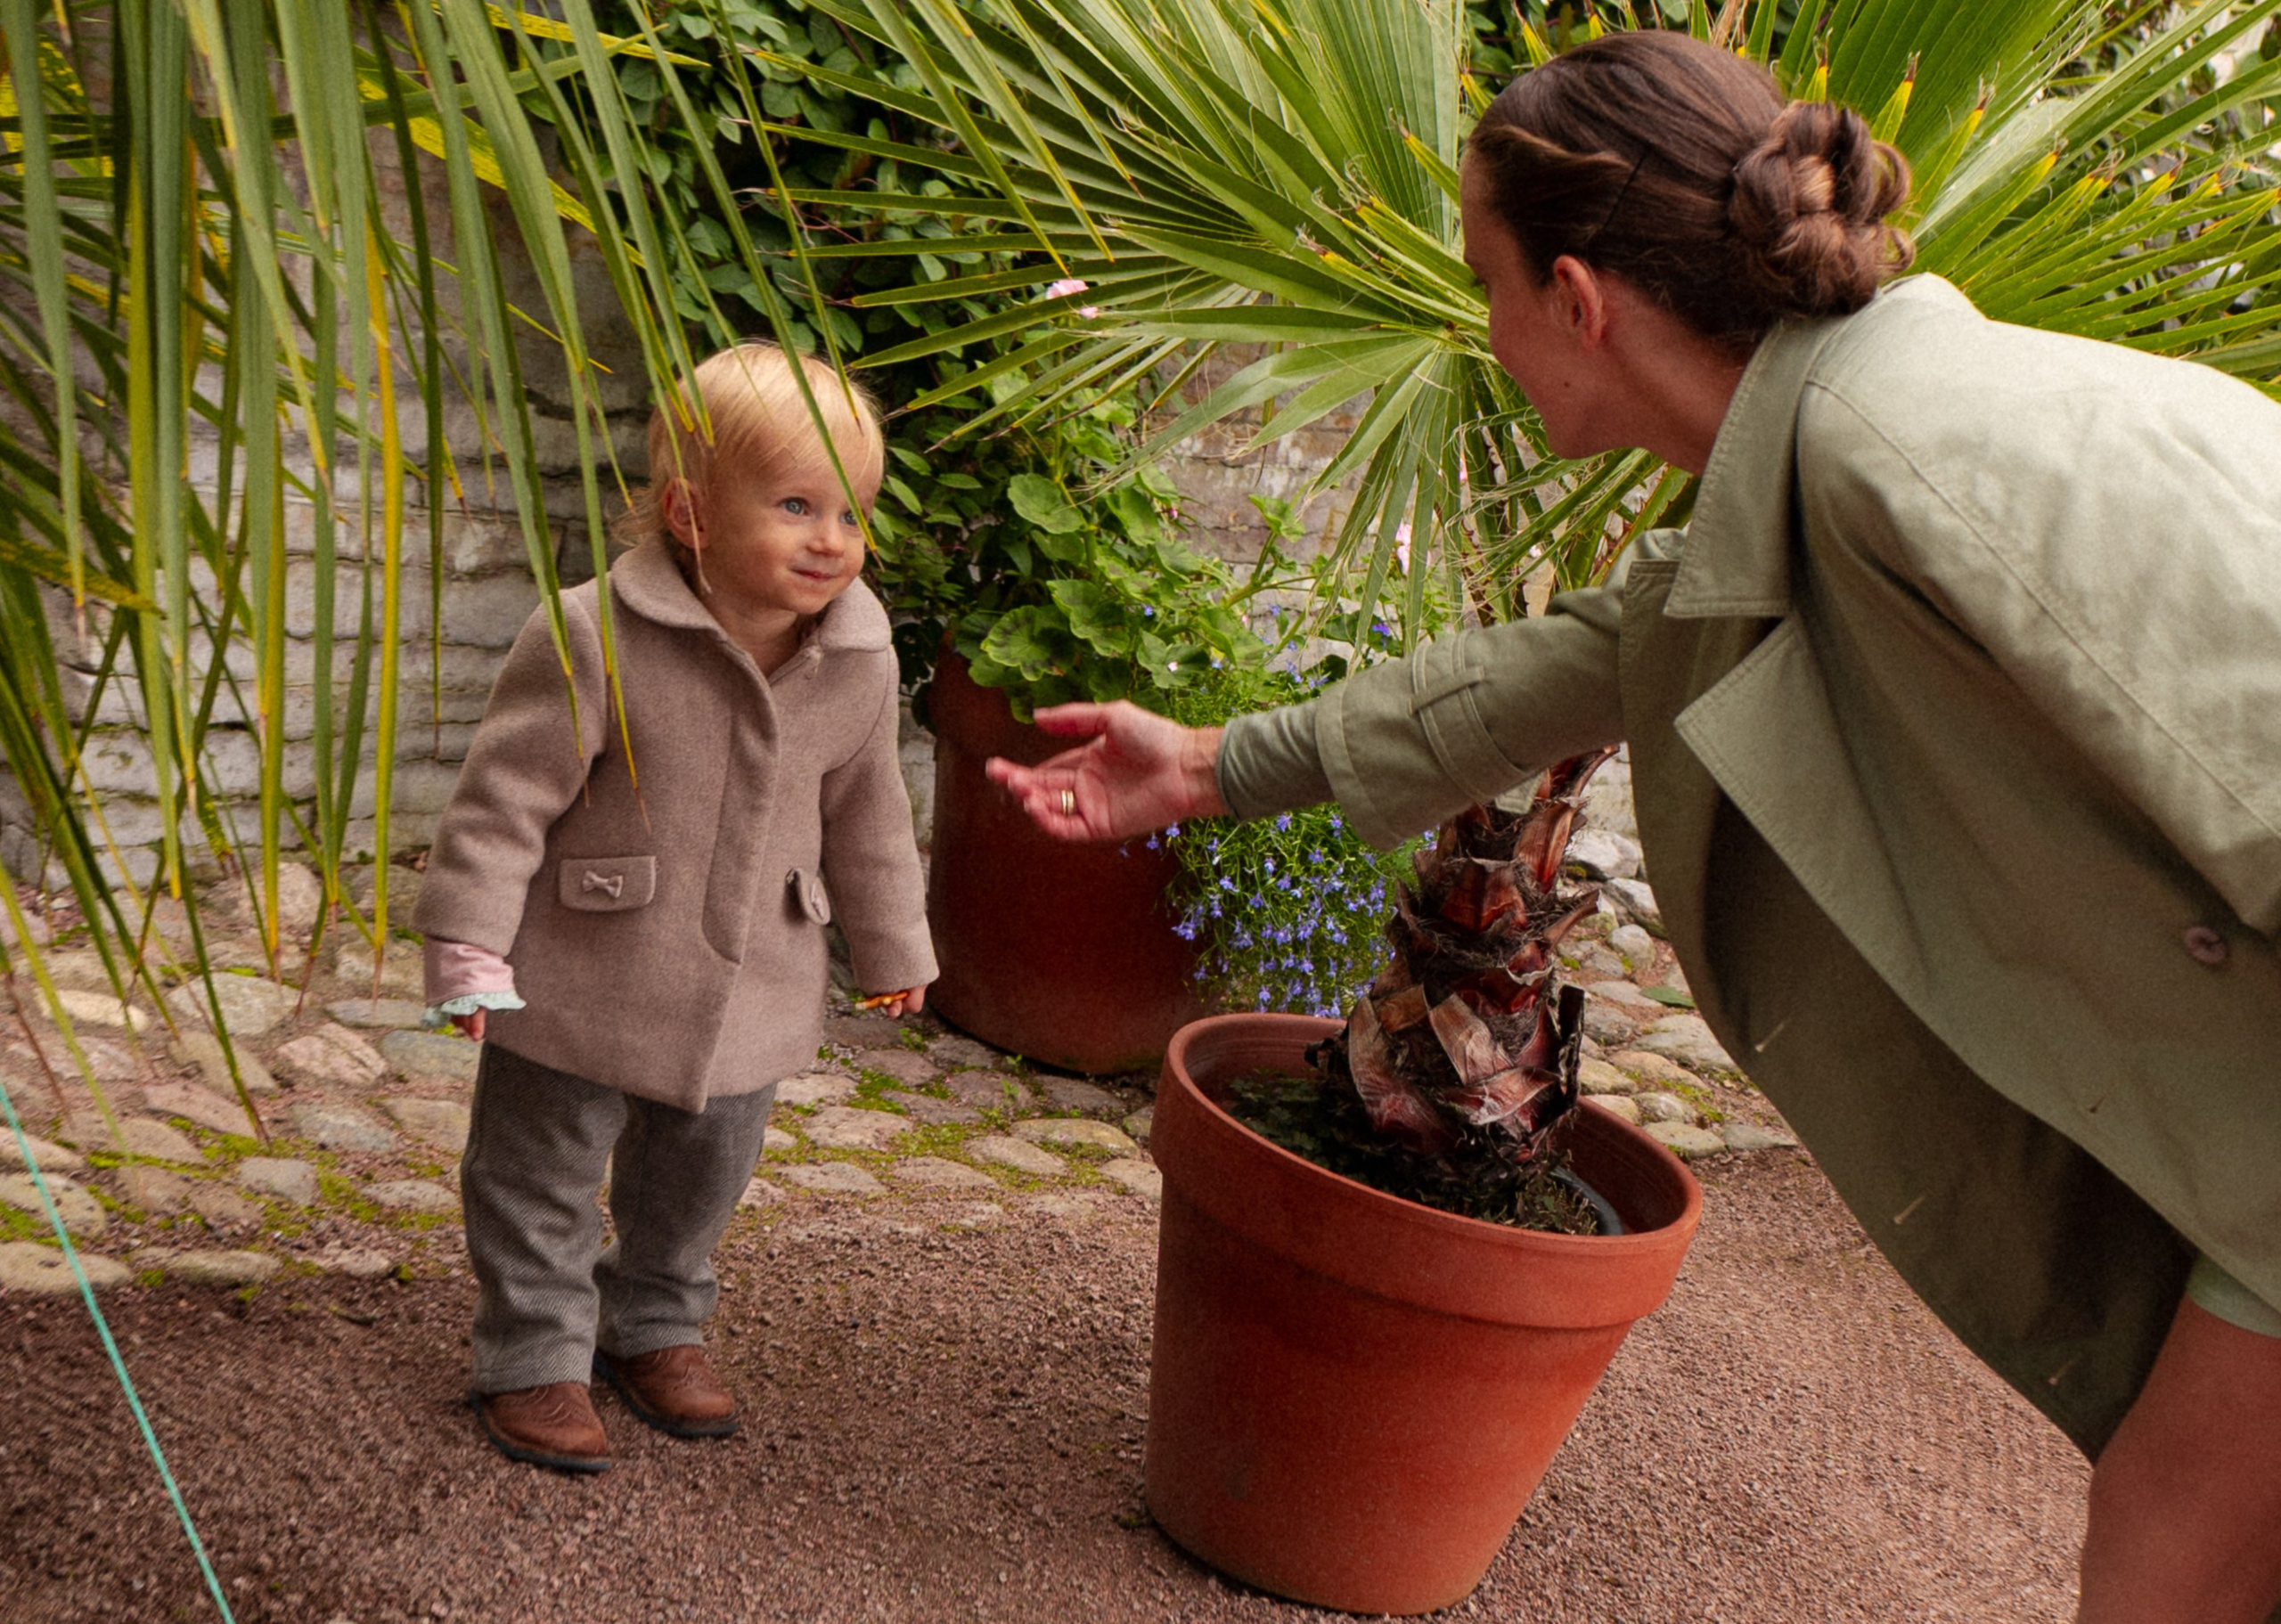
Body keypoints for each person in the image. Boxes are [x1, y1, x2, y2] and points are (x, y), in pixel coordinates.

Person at [987, 33, 2281, 1624]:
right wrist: (1208, 763)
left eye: (1488, 278)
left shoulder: (1924, 453)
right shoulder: (1829, 456)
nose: (1484, 328)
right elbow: (1588, 653)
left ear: (1580, 299)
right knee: (2171, 1548)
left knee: (2169, 1559)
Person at [414, 342, 936, 1473]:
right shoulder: (594, 631)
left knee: (702, 1171)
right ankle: (534, 1347)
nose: (830, 539)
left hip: (755, 978)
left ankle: (652, 1316)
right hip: (586, 967)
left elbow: (870, 813)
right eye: (795, 504)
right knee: (538, 1166)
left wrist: (894, 942)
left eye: (851, 511)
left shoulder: (859, 655)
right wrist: (468, 946)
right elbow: (502, 802)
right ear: (688, 511)